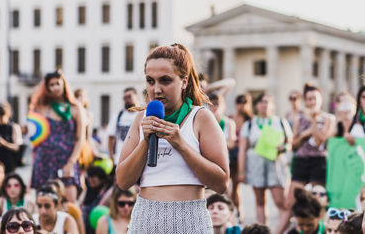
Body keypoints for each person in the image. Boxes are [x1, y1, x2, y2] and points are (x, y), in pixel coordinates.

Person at [116, 44, 229, 233]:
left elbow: (221, 183)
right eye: (150, 81)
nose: (156, 89)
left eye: (165, 80)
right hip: (145, 220)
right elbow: (123, 181)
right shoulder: (141, 119)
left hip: (190, 221)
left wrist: (181, 145)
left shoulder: (200, 117)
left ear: (184, 81)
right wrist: (145, 141)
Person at [277, 84, 335, 234]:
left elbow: (322, 139)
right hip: (301, 161)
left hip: (318, 161)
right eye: (308, 99)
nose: (311, 102)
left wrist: (314, 122)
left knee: (317, 202)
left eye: (314, 98)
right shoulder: (299, 119)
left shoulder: (328, 118)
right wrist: (303, 135)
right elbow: (294, 144)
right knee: (290, 202)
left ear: (320, 99)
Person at [29, 70, 86, 203]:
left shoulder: (75, 109)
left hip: (66, 160)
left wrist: (71, 163)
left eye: (57, 83)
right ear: (47, 88)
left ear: (64, 85)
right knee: (44, 204)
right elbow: (34, 132)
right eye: (51, 85)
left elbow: (80, 139)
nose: (55, 87)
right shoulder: (42, 107)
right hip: (44, 161)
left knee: (70, 205)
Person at [237, 93, 292, 224]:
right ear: (256, 105)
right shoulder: (249, 124)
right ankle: (263, 230)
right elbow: (242, 149)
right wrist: (241, 171)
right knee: (260, 201)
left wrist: (283, 148)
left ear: (272, 105)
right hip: (256, 166)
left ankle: (284, 230)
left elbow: (290, 143)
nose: (264, 105)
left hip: (276, 165)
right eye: (261, 102)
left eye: (267, 102)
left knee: (280, 201)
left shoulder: (280, 122)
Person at [230, 94, 252, 222]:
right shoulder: (231, 118)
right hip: (230, 153)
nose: (242, 105)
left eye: (244, 102)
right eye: (239, 102)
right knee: (227, 186)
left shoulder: (250, 121)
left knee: (235, 185)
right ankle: (233, 209)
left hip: (241, 155)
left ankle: (238, 208)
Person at [107, 87, 140, 165]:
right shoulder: (117, 116)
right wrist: (111, 156)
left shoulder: (142, 114)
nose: (127, 100)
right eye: (124, 98)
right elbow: (110, 137)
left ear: (137, 97)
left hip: (138, 159)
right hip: (120, 160)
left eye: (129, 97)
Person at [81, 165, 112, 234]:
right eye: (90, 182)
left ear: (102, 180)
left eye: (94, 182)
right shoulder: (89, 189)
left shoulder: (108, 190)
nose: (91, 184)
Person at [75, 88, 96, 169]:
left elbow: (88, 135)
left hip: (83, 146)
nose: (80, 98)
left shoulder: (88, 114)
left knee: (81, 172)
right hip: (72, 144)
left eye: (82, 96)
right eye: (78, 95)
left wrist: (94, 150)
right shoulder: (71, 111)